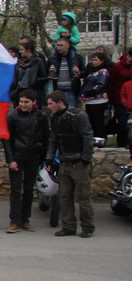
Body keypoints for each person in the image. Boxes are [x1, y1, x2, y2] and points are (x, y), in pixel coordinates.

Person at [46, 90, 95, 238]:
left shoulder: (79, 115)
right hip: (64, 162)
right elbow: (53, 139)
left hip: (79, 162)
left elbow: (88, 136)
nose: (48, 107)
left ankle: (87, 227)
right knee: (65, 197)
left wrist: (85, 158)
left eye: (50, 104)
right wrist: (49, 159)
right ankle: (68, 226)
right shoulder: (54, 118)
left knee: (83, 197)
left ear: (60, 102)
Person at [4, 89, 49, 233]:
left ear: (34, 102)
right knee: (15, 190)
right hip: (17, 156)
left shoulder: (41, 116)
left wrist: (45, 159)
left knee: (29, 189)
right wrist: (10, 159)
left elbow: (46, 138)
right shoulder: (13, 116)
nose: (23, 104)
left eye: (26, 102)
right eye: (21, 102)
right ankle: (15, 221)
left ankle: (25, 219)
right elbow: (7, 139)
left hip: (34, 157)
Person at [79, 53, 110, 141]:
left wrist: (91, 92)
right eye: (92, 60)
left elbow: (101, 85)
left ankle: (100, 140)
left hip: (98, 101)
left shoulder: (103, 72)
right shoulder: (91, 71)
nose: (94, 62)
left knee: (98, 122)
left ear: (102, 61)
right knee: (91, 122)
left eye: (96, 60)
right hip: (89, 101)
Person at [11, 39, 47, 105]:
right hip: (19, 92)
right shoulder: (19, 63)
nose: (20, 51)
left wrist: (34, 81)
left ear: (28, 50)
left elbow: (44, 77)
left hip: (32, 92)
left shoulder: (38, 62)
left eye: (22, 50)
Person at [108, 50, 132, 148]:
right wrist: (111, 100)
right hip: (119, 99)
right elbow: (112, 83)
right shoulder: (118, 66)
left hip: (130, 97)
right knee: (122, 123)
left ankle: (129, 143)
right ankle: (121, 143)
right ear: (128, 56)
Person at [49, 37, 80, 107]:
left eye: (61, 45)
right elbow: (45, 74)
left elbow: (84, 73)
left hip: (71, 91)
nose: (59, 48)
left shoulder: (76, 58)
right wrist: (50, 70)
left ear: (68, 46)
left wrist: (79, 72)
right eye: (58, 45)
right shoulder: (53, 59)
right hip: (58, 91)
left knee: (71, 113)